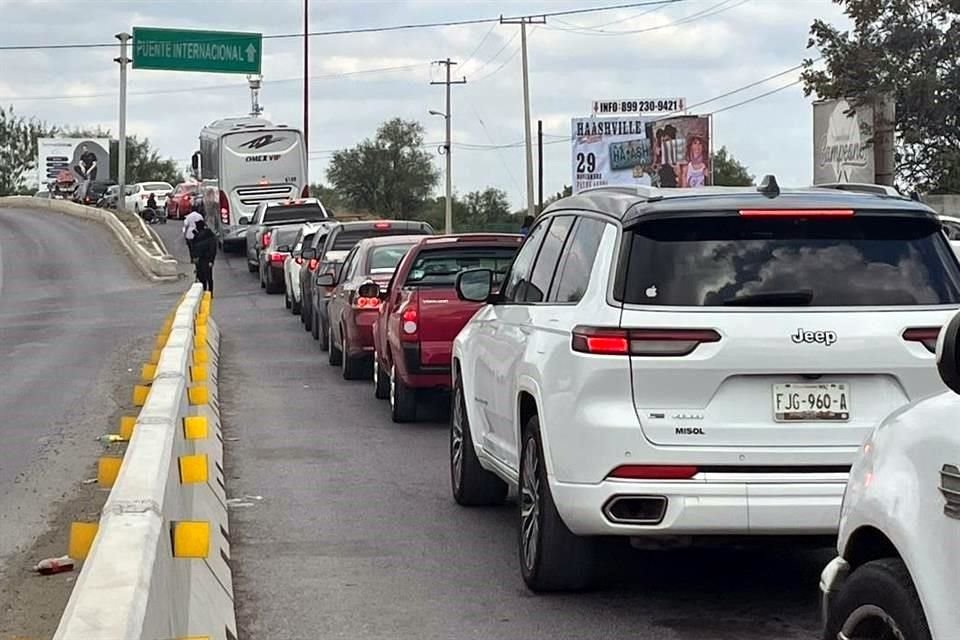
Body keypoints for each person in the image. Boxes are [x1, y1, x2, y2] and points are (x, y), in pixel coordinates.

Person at [191, 219, 217, 294]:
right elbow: (213, 249)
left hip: (201, 260)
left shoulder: (197, 237)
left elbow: (194, 249)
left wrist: (194, 258)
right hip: (207, 259)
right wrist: (212, 260)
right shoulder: (210, 235)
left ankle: (204, 291)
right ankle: (210, 292)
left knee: (202, 277)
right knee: (209, 277)